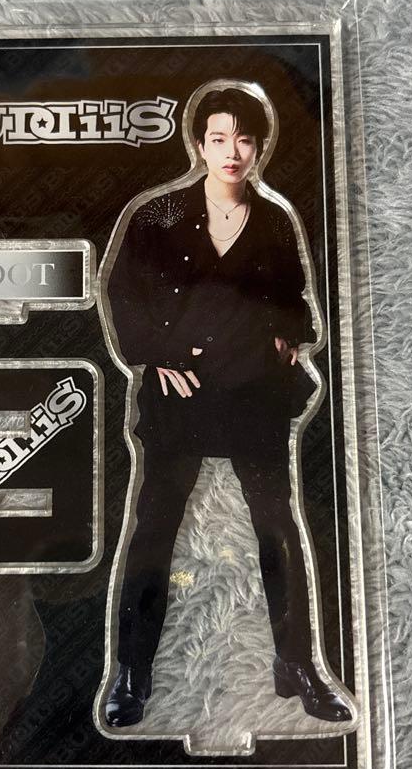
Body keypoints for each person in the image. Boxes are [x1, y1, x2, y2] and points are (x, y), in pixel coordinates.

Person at [101, 85, 352, 728]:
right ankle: (130, 672)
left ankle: (298, 664)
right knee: (154, 530)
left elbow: (295, 301)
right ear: (198, 143)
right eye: (219, 138)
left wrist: (289, 336)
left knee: (278, 526)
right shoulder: (157, 215)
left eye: (244, 139)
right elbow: (123, 297)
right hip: (178, 398)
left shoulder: (273, 221)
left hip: (253, 394)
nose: (232, 151)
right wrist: (157, 356)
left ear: (260, 147)